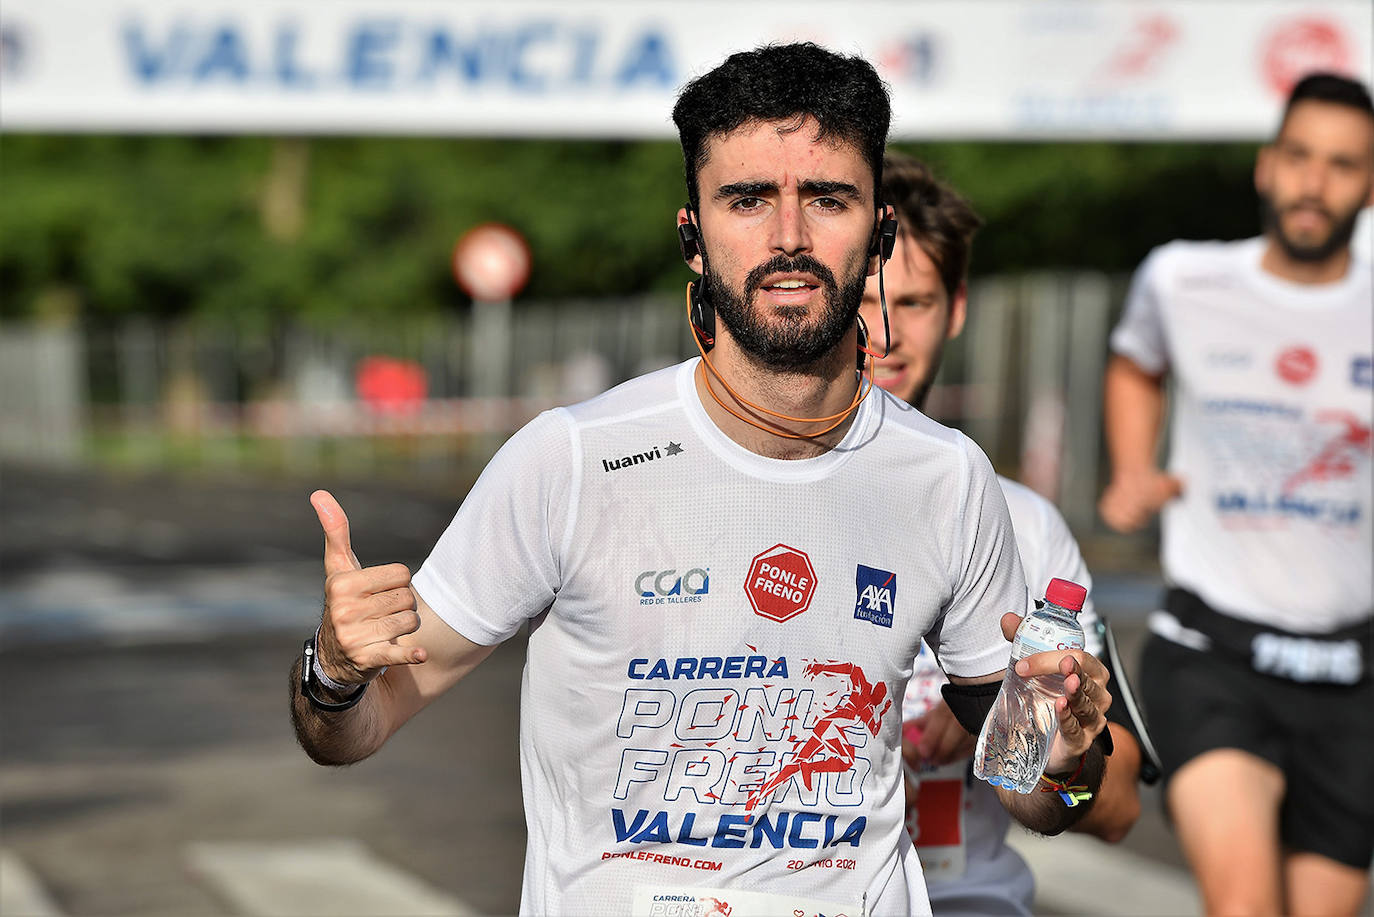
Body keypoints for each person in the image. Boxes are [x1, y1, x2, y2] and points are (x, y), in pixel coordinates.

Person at [290, 43, 1114, 916]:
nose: (789, 236)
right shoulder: (569, 458)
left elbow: (1036, 793)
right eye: (748, 198)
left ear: (879, 233)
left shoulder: (946, 479)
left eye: (827, 198)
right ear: (693, 236)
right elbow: (354, 728)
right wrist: (333, 669)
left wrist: (1062, 755)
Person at [1100, 72, 1374, 916]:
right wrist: (1132, 467)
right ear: (1266, 165)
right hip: (1213, 654)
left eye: (1342, 165)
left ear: (1369, 183)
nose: (1314, 183)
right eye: (1299, 157)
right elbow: (1134, 361)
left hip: (1352, 672)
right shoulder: (1183, 281)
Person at [858, 152, 1144, 916]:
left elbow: (1113, 810)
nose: (884, 333)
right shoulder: (745, 496)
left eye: (913, 302)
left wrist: (1047, 745)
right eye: (862, 299)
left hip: (964, 900)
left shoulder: (1020, 521)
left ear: (954, 309)